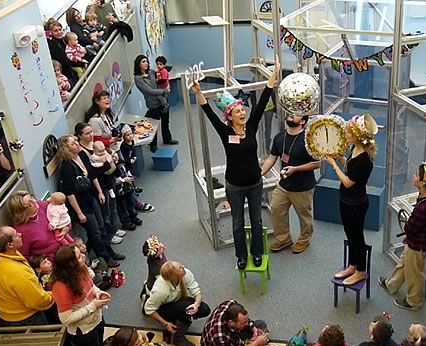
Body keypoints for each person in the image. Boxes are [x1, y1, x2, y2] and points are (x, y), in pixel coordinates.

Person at [191, 56, 280, 270]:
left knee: (257, 222)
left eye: (243, 111)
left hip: (255, 183)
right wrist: (199, 93)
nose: (243, 113)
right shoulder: (225, 132)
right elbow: (209, 114)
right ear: (229, 117)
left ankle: (257, 253)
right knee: (238, 224)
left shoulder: (251, 126)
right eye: (238, 112)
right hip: (235, 186)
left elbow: (262, 101)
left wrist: (274, 74)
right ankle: (241, 256)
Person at [378, 163, 426, 310]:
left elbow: (410, 227)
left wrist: (408, 234)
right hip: (418, 240)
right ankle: (392, 285)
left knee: (414, 274)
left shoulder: (422, 208)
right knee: (404, 263)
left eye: (417, 175)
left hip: (418, 245)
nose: (414, 176)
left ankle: (414, 301)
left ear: (423, 183)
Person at [55, 134, 124, 268]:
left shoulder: (82, 155)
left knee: (102, 226)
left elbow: (92, 174)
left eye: (75, 140)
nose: (76, 143)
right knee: (95, 232)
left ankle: (109, 252)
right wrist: (79, 213)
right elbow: (69, 193)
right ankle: (104, 256)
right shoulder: (67, 167)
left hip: (91, 196)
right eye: (73, 143)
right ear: (66, 148)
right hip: (80, 204)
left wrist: (99, 192)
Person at [325, 114, 377, 285]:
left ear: (356, 136)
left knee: (357, 237)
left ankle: (361, 270)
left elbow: (348, 182)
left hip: (356, 203)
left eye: (348, 132)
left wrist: (333, 164)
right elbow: (349, 168)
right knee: (350, 234)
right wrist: (339, 157)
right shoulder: (355, 150)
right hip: (347, 201)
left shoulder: (364, 159)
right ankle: (353, 265)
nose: (345, 135)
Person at [52, 244, 111, 346]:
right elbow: (66, 319)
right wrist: (93, 306)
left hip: (96, 319)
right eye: (79, 256)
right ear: (70, 264)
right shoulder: (61, 286)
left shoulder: (81, 269)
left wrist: (97, 292)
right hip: (83, 331)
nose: (83, 256)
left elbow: (91, 286)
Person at [261, 114, 319, 254]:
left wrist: (295, 169)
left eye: (296, 115)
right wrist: (260, 173)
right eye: (291, 113)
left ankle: (304, 240)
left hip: (302, 187)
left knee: (304, 216)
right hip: (284, 184)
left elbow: (317, 164)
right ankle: (283, 239)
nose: (291, 115)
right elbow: (271, 158)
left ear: (303, 121)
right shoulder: (280, 137)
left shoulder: (309, 139)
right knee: (276, 209)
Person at [0, 226, 54, 326]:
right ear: (10, 245)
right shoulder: (19, 273)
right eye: (16, 235)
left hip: (6, 314)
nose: (20, 234)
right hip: (25, 318)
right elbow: (38, 301)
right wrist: (55, 294)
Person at [143, 261, 211, 346]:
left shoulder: (185, 273)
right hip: (163, 309)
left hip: (178, 301)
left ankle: (178, 320)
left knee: (204, 309)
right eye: (180, 268)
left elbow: (196, 292)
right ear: (173, 276)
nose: (183, 266)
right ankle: (178, 338)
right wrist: (165, 323)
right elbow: (149, 309)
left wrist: (196, 304)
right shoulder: (161, 290)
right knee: (187, 311)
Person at [133, 55, 178, 151]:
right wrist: (164, 91)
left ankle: (167, 139)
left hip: (163, 101)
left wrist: (166, 85)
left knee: (165, 122)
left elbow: (161, 80)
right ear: (138, 64)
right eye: (143, 61)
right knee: (153, 125)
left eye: (147, 61)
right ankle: (153, 145)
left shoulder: (151, 72)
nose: (146, 63)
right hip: (153, 104)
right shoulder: (138, 79)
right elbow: (149, 91)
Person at [7, 191, 63, 261]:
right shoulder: (21, 231)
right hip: (53, 261)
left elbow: (62, 215)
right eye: (29, 203)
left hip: (64, 246)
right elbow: (24, 257)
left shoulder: (42, 205)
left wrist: (65, 228)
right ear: (22, 211)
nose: (34, 201)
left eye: (31, 197)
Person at [45, 18, 80, 87]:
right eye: (56, 31)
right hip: (65, 75)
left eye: (60, 29)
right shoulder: (51, 44)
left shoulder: (64, 40)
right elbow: (63, 59)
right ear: (50, 32)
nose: (59, 32)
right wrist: (81, 64)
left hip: (72, 71)